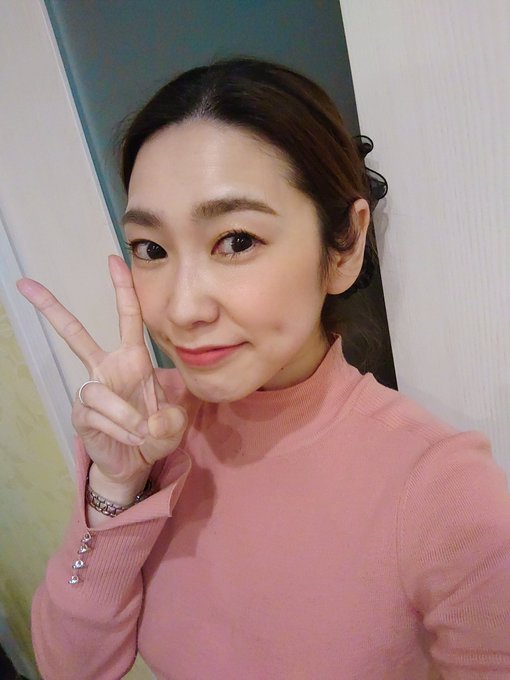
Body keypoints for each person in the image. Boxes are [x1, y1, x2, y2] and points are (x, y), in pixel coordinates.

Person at [17, 58, 510, 680]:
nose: (182, 308)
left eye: (237, 241)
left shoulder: (441, 490)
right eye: (152, 248)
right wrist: (115, 491)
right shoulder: (147, 427)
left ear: (344, 246)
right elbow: (71, 669)